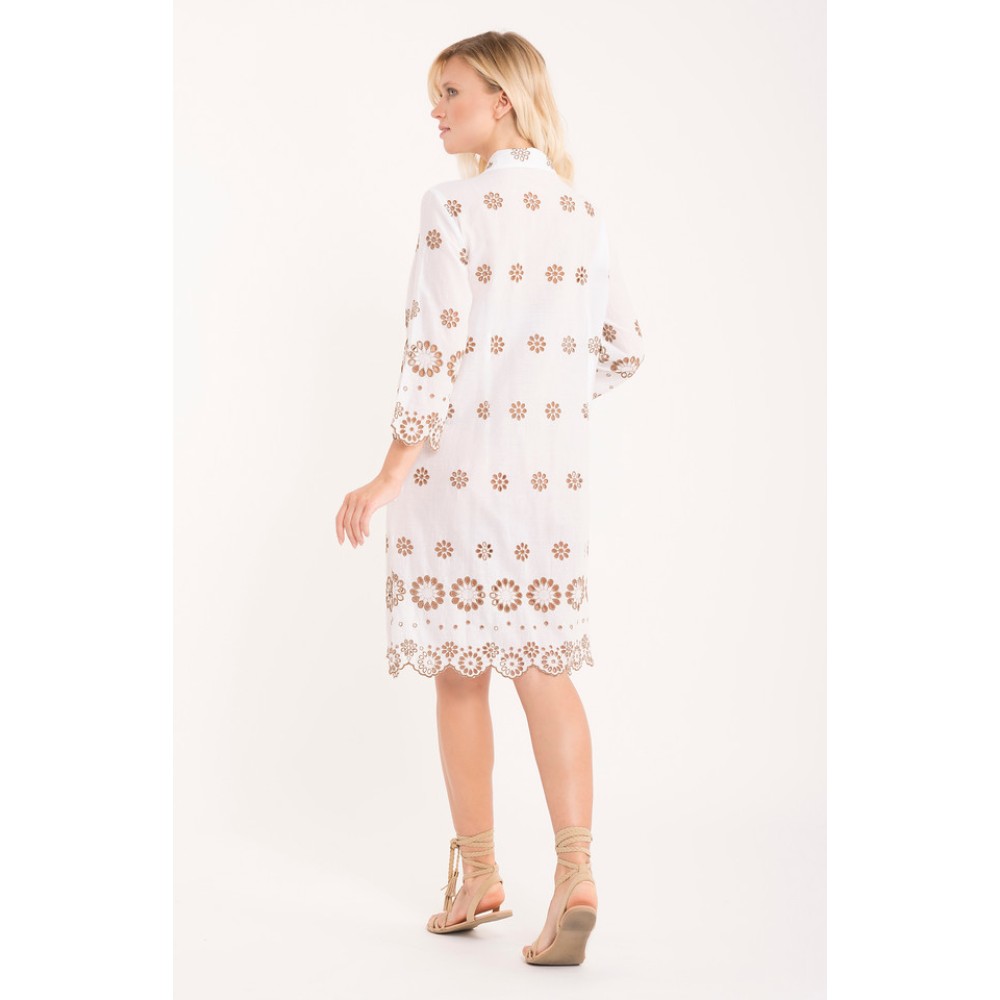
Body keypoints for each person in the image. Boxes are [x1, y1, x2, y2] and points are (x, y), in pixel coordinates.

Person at [336, 30, 644, 966]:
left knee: (460, 673)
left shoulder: (453, 206)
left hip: (458, 479)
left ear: (502, 99)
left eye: (451, 92)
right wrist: (542, 401)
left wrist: (390, 472)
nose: (436, 110)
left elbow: (431, 351)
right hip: (550, 483)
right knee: (544, 666)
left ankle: (479, 876)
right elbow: (623, 348)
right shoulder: (582, 211)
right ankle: (576, 872)